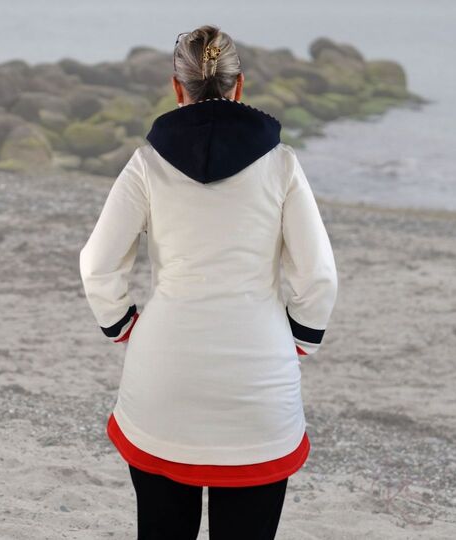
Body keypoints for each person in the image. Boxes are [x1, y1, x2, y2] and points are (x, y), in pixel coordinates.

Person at [79, 24, 338, 540]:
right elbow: (318, 275)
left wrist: (122, 324)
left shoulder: (147, 163)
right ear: (239, 85)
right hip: (258, 385)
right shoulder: (282, 164)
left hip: (163, 377)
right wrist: (300, 338)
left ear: (177, 87)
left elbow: (97, 264)